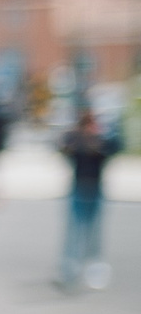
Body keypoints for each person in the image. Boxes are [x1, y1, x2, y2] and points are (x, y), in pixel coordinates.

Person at [60, 107, 113, 290]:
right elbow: (65, 150)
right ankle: (70, 271)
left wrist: (92, 139)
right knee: (74, 234)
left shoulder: (100, 140)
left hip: (94, 189)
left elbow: (109, 151)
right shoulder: (76, 140)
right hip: (79, 188)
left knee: (93, 235)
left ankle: (93, 271)